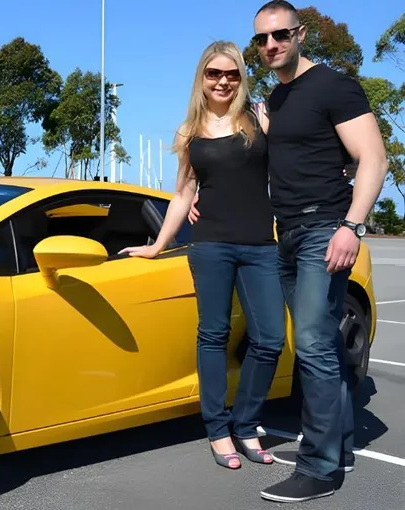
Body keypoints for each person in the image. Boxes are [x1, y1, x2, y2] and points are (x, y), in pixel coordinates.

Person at [188, 0, 388, 503]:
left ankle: (319, 468)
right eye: (262, 39)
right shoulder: (272, 104)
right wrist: (198, 199)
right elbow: (250, 164)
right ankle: (338, 444)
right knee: (318, 344)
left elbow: (374, 158)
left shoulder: (334, 86)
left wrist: (352, 226)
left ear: (301, 35)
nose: (271, 45)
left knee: (315, 345)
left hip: (327, 230)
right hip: (289, 234)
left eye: (280, 35)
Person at [120, 40, 285, 470]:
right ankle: (217, 430)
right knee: (212, 335)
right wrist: (158, 245)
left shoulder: (259, 120)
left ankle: (246, 424)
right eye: (214, 73)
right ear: (202, 78)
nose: (223, 81)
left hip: (260, 246)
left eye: (231, 74)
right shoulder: (188, 132)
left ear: (241, 78)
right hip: (210, 245)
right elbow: (182, 193)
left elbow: (291, 163)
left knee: (270, 337)